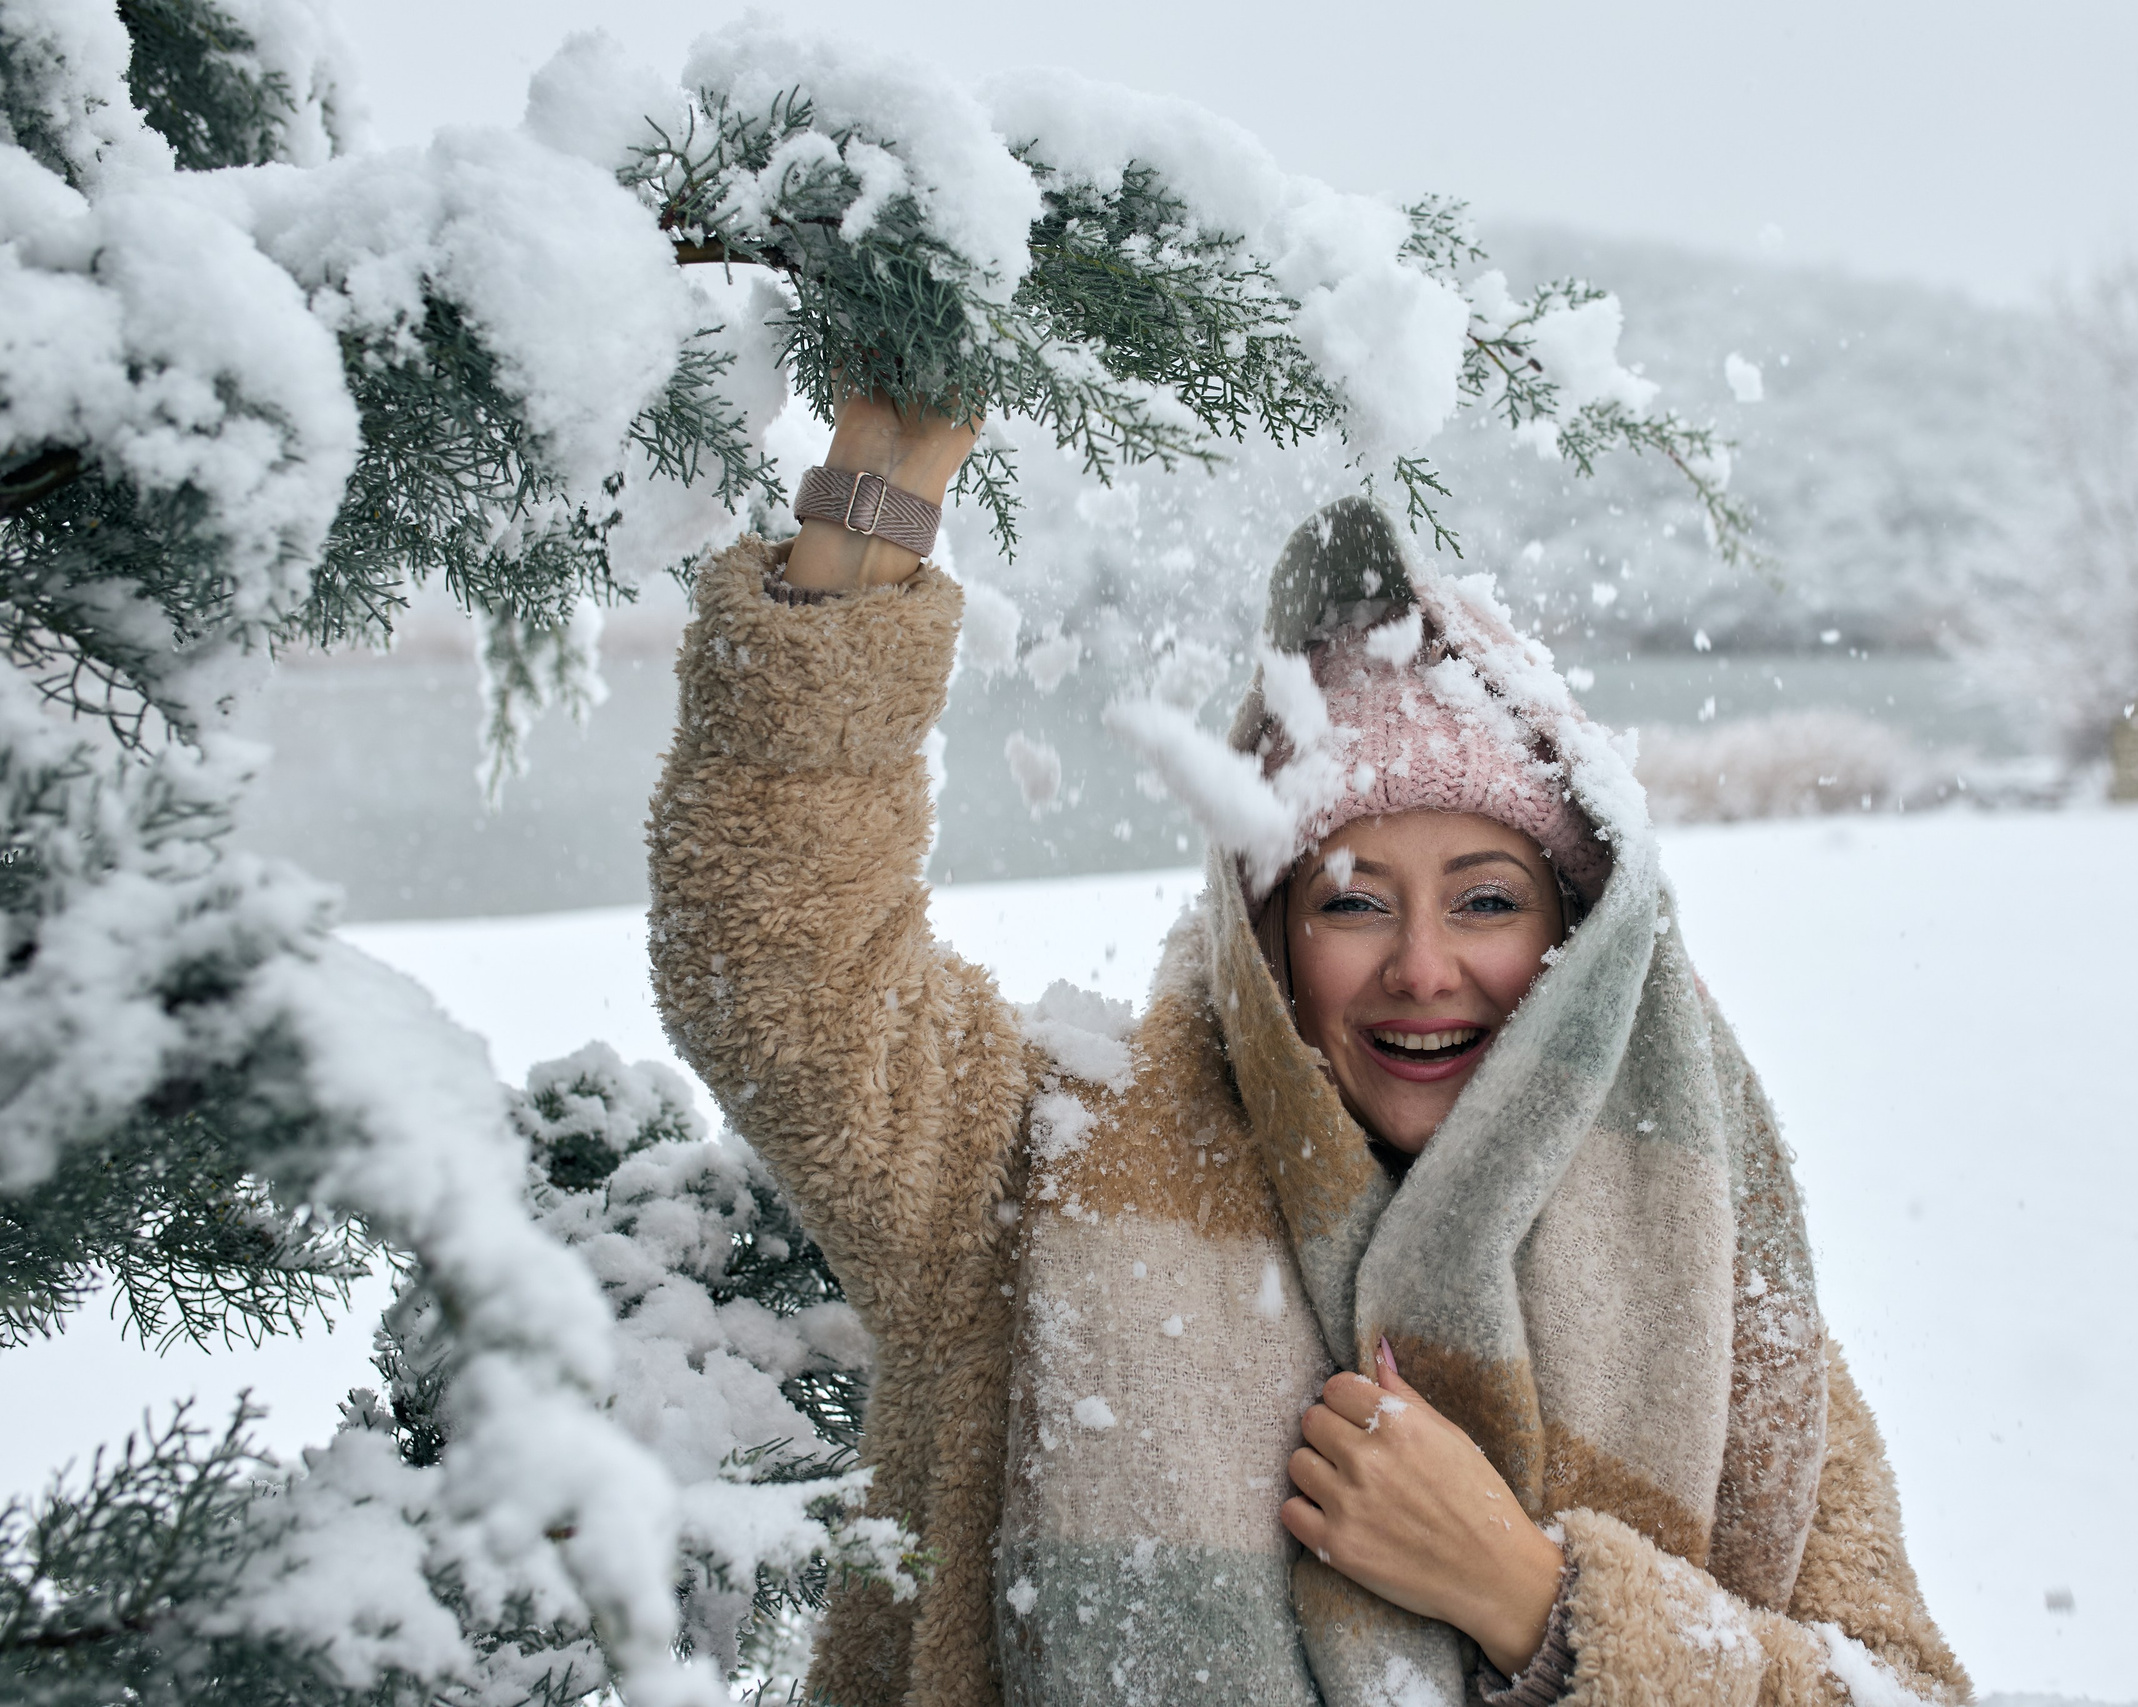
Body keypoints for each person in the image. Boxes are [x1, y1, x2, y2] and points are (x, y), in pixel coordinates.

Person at [646, 392, 1971, 1707]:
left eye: (1488, 898)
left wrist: (1530, 1599)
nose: (1423, 965)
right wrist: (876, 491)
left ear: (1579, 944)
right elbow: (778, 962)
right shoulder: (1045, 1169)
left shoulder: (1701, 1277)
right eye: (1349, 898)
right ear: (1264, 933)